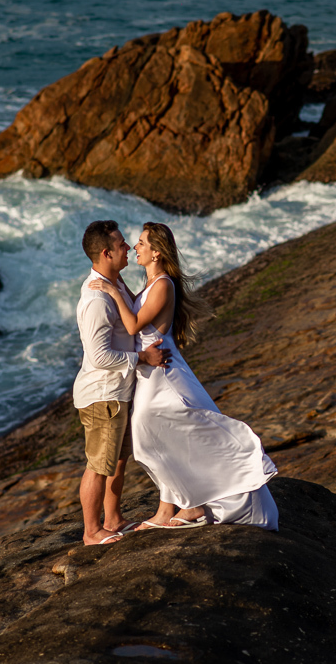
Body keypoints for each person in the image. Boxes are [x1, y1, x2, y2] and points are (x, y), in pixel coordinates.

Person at [90, 222, 279, 531]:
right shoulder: (151, 283)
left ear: (157, 253)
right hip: (152, 372)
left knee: (149, 433)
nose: (135, 247)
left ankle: (186, 507)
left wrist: (111, 289)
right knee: (152, 437)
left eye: (140, 243)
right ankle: (177, 507)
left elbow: (136, 324)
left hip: (164, 374)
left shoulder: (163, 283)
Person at [73, 220, 169, 545]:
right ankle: (91, 531)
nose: (128, 248)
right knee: (99, 465)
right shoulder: (97, 300)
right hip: (103, 395)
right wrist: (141, 359)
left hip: (117, 392)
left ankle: (112, 519)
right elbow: (100, 357)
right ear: (106, 252)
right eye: (122, 244)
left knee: (116, 459)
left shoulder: (114, 284)